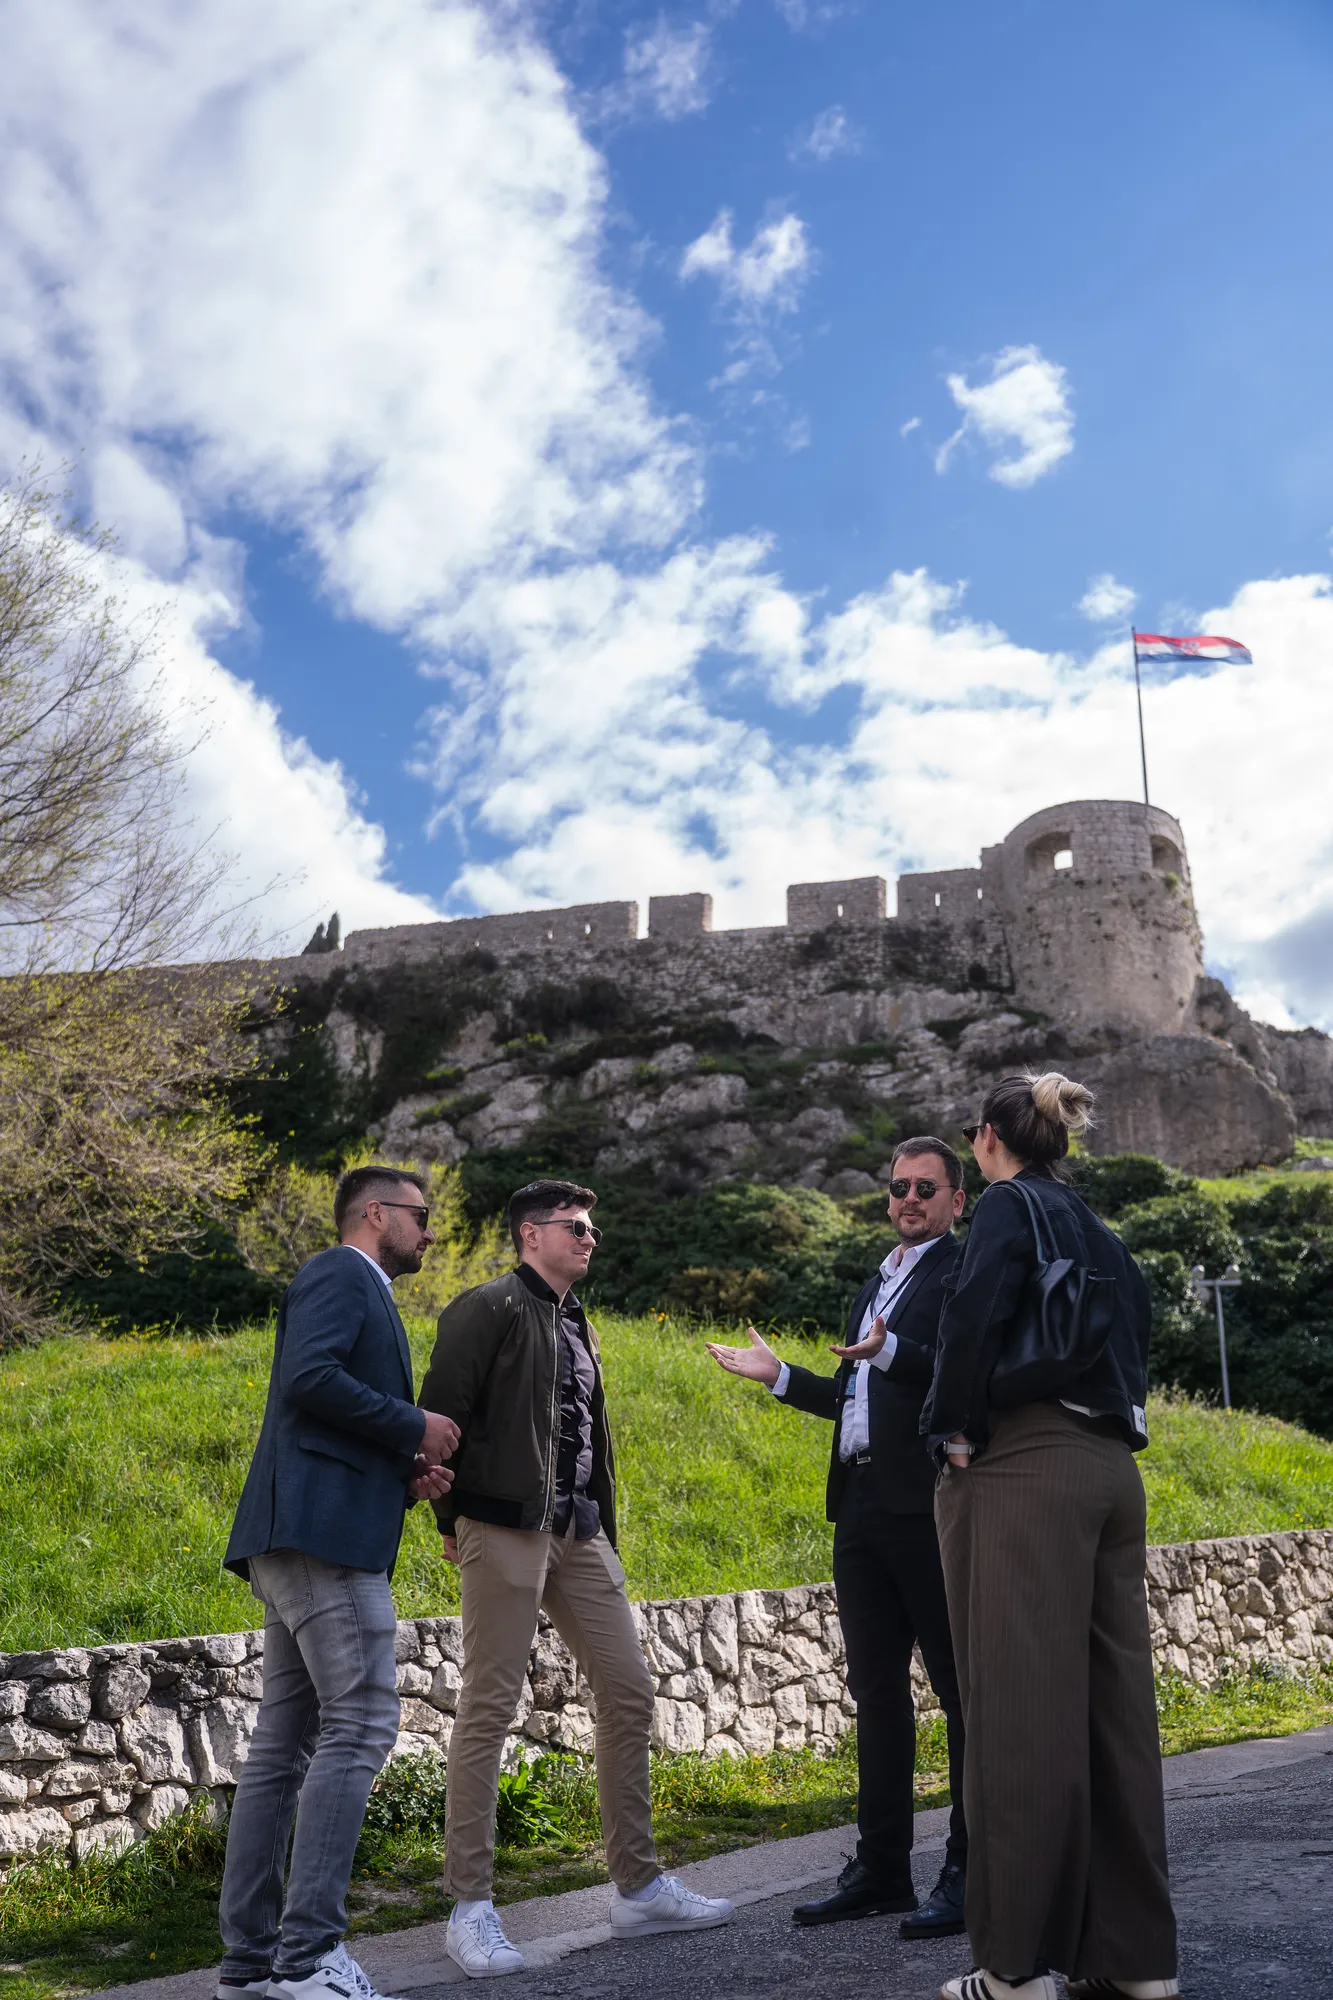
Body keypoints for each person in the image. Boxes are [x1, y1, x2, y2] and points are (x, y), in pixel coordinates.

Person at [418, 1177, 734, 1978]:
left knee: (629, 1689)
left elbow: (589, 1442)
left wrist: (607, 1535)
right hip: (501, 1525)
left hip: (579, 1535)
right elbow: (437, 1420)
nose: (590, 1239)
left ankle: (637, 1885)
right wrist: (448, 1524)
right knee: (489, 1704)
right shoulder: (485, 1308)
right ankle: (470, 1906)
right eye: (575, 1228)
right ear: (531, 1234)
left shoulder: (577, 1321)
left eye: (592, 1229)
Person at [921, 1073, 1179, 2000]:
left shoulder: (1004, 1206)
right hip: (1115, 1470)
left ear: (988, 1138)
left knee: (1017, 1718)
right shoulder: (1098, 1226)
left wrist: (948, 1427)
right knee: (1115, 1722)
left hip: (1028, 1464)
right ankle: (1137, 1963)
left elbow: (975, 1313)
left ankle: (1015, 1969)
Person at [706, 1138, 969, 1937]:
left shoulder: (960, 1273)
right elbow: (855, 1394)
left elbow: (958, 1370)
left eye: (927, 1187)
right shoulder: (872, 1283)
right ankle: (882, 1869)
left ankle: (968, 1870)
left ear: (958, 1200)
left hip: (928, 1505)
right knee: (876, 1695)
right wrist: (780, 1376)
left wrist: (888, 1347)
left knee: (960, 1695)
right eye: (898, 1187)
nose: (909, 1198)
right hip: (856, 1506)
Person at [219, 1166, 460, 2000]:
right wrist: (415, 1424)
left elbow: (318, 1410)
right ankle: (309, 1957)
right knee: (359, 1725)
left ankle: (249, 1969)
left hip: (305, 1531)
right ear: (374, 1213)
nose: (429, 1233)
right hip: (323, 1542)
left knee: (283, 1748)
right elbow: (309, 1381)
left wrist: (401, 1472)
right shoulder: (337, 1272)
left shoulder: (363, 1288)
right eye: (420, 1217)